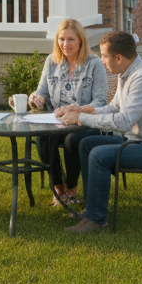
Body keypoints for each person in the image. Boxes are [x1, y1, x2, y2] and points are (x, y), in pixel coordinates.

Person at [56, 31, 142, 233]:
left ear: (119, 58)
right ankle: (92, 209)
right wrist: (82, 109)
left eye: (104, 56)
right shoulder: (128, 71)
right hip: (141, 141)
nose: (102, 61)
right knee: (86, 144)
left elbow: (124, 122)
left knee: (99, 155)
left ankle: (97, 220)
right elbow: (115, 107)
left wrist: (80, 119)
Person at [28, 19, 108, 206]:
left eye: (71, 39)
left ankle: (72, 188)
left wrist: (77, 110)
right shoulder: (51, 61)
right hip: (57, 122)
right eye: (61, 39)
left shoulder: (94, 64)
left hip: (84, 122)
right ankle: (58, 187)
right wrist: (36, 98)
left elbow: (100, 101)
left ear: (80, 40)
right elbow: (42, 92)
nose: (65, 44)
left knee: (71, 140)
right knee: (43, 138)